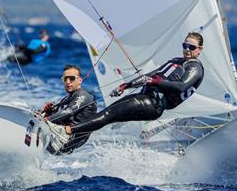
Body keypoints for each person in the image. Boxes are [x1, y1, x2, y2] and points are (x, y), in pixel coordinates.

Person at [47, 32, 205, 155]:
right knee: (106, 116)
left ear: (199, 50)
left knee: (107, 114)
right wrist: (126, 85)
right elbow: (150, 75)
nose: (187, 50)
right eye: (185, 45)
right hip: (145, 97)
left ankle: (66, 130)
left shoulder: (195, 68)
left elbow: (181, 86)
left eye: (192, 47)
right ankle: (67, 145)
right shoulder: (177, 61)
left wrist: (155, 82)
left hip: (153, 104)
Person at [39, 64, 97, 155]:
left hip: (66, 141)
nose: (68, 82)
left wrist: (45, 120)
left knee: (39, 122)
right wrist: (49, 112)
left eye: (71, 78)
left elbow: (69, 112)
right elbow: (59, 115)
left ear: (80, 80)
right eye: (65, 79)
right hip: (59, 137)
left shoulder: (84, 96)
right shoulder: (67, 98)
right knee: (37, 114)